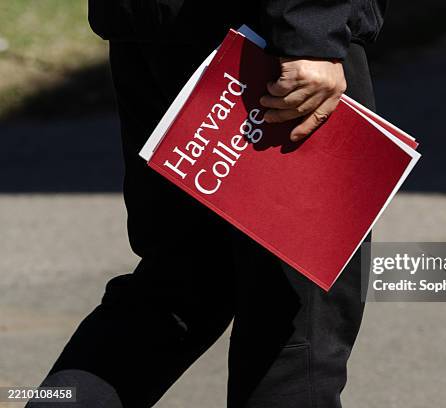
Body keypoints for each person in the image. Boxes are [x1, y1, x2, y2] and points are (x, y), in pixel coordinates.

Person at [28, 1, 387, 407]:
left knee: (181, 286)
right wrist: (310, 32)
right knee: (294, 319)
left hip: (153, 28)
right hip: (268, 42)